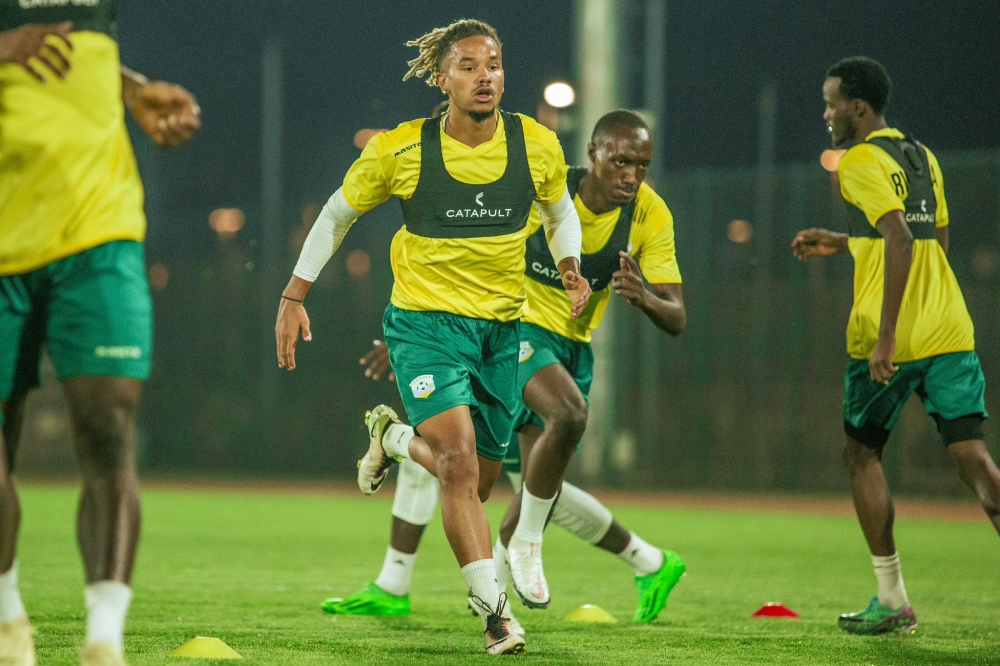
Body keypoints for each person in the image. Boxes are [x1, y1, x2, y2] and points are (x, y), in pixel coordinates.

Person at [274, 19, 589, 656]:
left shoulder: (537, 145)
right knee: (458, 461)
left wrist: (570, 266)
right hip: (423, 326)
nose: (485, 76)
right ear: (441, 79)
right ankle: (496, 615)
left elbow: (559, 214)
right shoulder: (401, 150)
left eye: (494, 64)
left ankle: (391, 437)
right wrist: (293, 295)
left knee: (475, 482)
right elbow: (337, 215)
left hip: (502, 330)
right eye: (469, 66)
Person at [325, 109, 687, 628]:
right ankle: (418, 575)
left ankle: (643, 560)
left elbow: (677, 317)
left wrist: (646, 299)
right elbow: (468, 251)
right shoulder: (544, 183)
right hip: (505, 332)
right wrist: (417, 328)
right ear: (593, 154)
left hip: (568, 349)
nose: (631, 174)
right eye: (621, 160)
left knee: (523, 478)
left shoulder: (648, 214)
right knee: (511, 436)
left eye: (642, 165)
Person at [0, 3, 201, 665]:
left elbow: (80, 49)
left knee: (109, 427)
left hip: (97, 229)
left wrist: (134, 88)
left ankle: (103, 641)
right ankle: (7, 621)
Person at [792, 56, 1000, 636]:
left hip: (889, 340)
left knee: (861, 454)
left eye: (833, 103)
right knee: (974, 459)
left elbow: (899, 237)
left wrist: (886, 341)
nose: (827, 114)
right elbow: (933, 237)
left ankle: (892, 600)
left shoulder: (858, 160)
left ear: (858, 106)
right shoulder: (921, 155)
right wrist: (842, 241)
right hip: (950, 329)